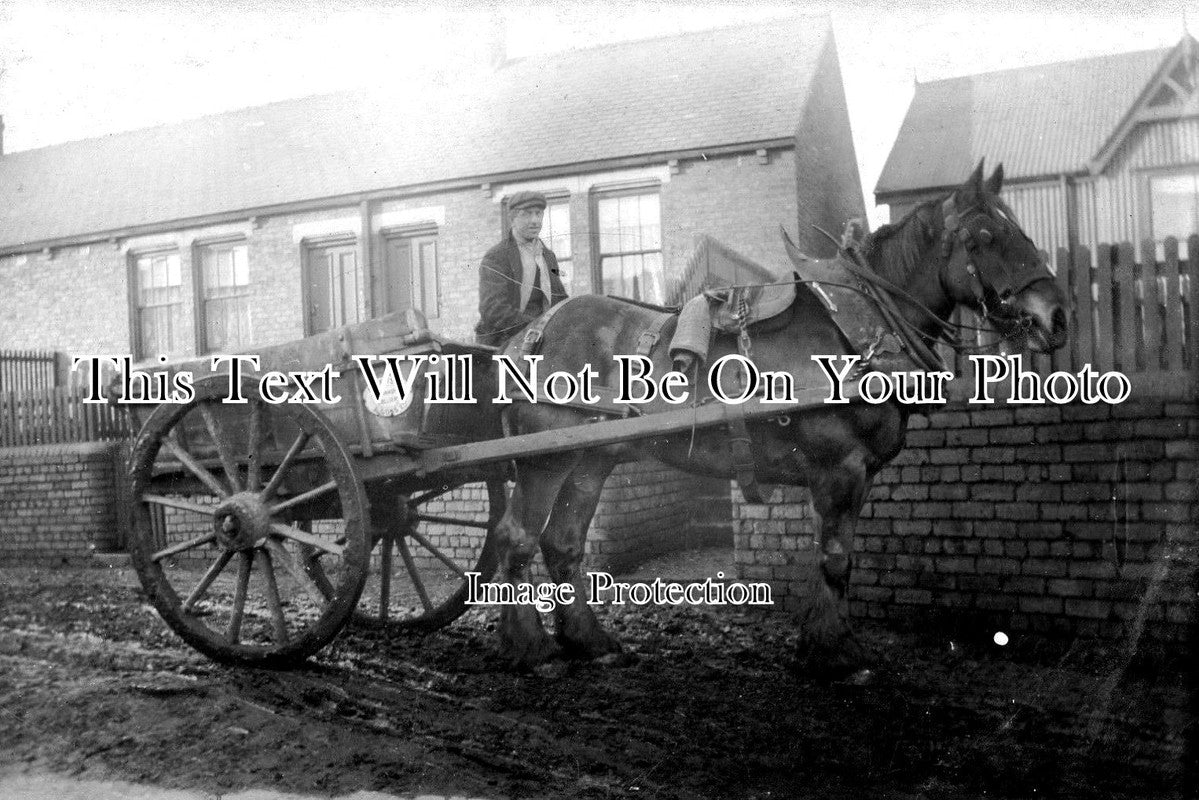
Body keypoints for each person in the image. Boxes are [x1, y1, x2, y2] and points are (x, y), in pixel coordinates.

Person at [475, 191, 568, 347]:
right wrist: (537, 326)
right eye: (526, 214)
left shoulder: (547, 256)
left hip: (542, 340)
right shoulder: (497, 256)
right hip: (503, 341)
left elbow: (559, 298)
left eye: (538, 214)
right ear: (512, 219)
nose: (534, 221)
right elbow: (493, 310)